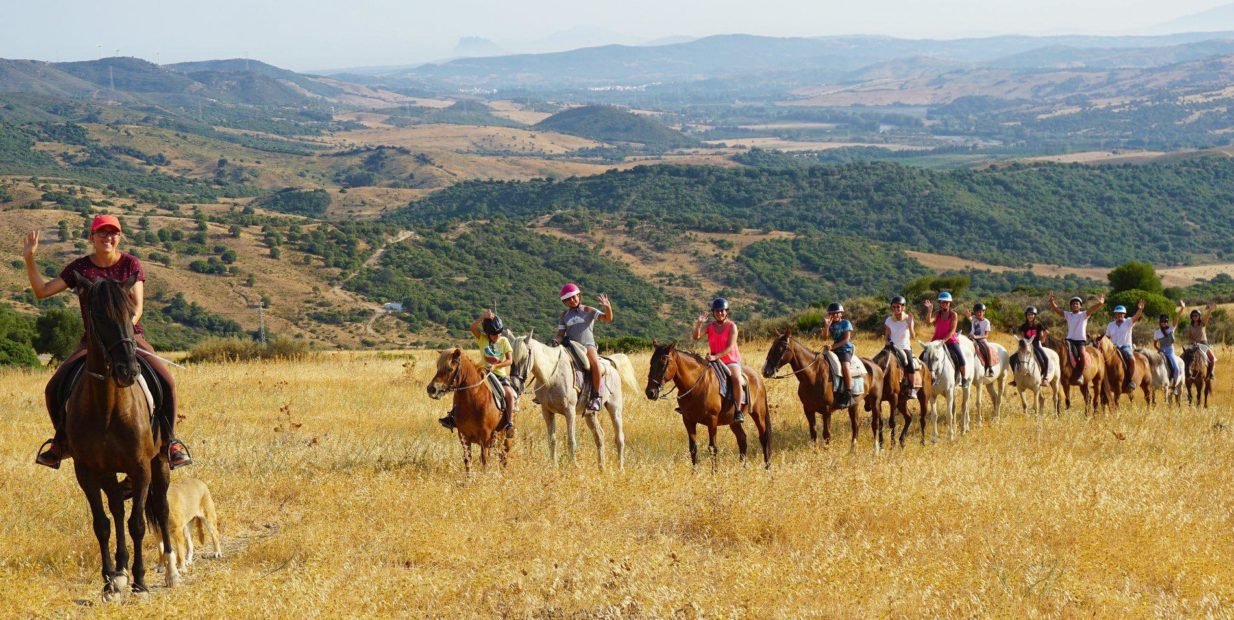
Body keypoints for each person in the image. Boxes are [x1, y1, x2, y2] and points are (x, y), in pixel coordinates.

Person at [24, 216, 192, 470]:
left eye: (113, 233)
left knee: (166, 381)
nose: (107, 238)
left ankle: (170, 442)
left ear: (119, 238)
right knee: (53, 386)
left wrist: (121, 331)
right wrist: (29, 259)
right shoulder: (79, 268)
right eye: (102, 233)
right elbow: (42, 291)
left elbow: (137, 307)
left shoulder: (130, 265)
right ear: (91, 237)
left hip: (128, 336)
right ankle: (61, 442)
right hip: (93, 341)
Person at [438, 310, 516, 434]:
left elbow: (509, 361)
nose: (498, 336)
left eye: (500, 333)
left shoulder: (504, 341)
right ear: (488, 334)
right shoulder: (482, 338)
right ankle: (453, 416)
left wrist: (496, 366)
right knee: (461, 389)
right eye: (495, 334)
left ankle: (509, 423)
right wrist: (482, 317)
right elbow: (473, 327)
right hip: (481, 372)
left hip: (499, 374)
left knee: (509, 394)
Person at [554, 283, 613, 413]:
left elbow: (607, 318)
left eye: (574, 297)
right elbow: (560, 334)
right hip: (571, 347)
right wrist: (555, 341)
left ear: (579, 296)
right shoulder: (564, 315)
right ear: (565, 302)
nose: (572, 300)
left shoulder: (588, 310)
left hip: (587, 346)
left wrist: (607, 307)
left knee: (595, 365)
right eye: (568, 299)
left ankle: (596, 396)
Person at [692, 297, 744, 423]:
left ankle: (738, 410)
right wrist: (699, 323)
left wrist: (715, 356)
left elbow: (730, 346)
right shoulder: (710, 326)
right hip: (713, 361)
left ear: (726, 312)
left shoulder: (732, 326)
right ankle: (690, 406)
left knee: (736, 379)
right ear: (713, 313)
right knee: (697, 376)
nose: (719, 313)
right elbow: (696, 337)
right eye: (717, 311)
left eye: (722, 311)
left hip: (730, 361)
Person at [1048, 293, 1104, 383]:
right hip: (1069, 340)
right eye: (1073, 304)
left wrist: (1100, 303)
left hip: (1080, 341)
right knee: (1059, 352)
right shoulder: (1068, 315)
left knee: (1081, 354)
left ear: (1080, 306)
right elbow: (1058, 310)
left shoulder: (1084, 314)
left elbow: (1092, 309)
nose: (1075, 305)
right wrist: (1052, 302)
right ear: (1071, 306)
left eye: (1077, 304)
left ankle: (1080, 375)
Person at [923, 291, 968, 386]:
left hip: (950, 340)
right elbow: (928, 321)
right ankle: (922, 378)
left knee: (960, 358)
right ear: (940, 303)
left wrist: (943, 341)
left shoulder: (953, 315)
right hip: (936, 340)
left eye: (946, 302)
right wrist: (930, 310)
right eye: (943, 302)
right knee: (923, 356)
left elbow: (952, 331)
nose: (945, 304)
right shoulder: (937, 313)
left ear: (949, 303)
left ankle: (964, 379)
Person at [1104, 300, 1146, 391]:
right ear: (1115, 315)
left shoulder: (1128, 322)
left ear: (1124, 314)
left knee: (1132, 360)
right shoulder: (1110, 325)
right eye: (1118, 314)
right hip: (1113, 347)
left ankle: (1130, 381)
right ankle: (1103, 381)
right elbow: (1107, 338)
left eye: (1122, 314)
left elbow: (1136, 316)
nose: (1120, 315)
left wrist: (1140, 309)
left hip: (1125, 346)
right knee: (1104, 360)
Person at [883, 295, 919, 398]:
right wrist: (886, 341)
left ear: (903, 307)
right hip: (891, 347)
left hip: (904, 347)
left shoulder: (908, 319)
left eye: (898, 307)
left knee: (910, 365)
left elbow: (913, 336)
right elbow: (887, 335)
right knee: (879, 360)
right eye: (894, 307)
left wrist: (910, 324)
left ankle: (912, 389)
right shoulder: (889, 320)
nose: (896, 309)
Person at [824, 302, 855, 407]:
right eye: (832, 313)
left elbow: (846, 339)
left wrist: (832, 347)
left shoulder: (846, 323)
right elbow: (824, 337)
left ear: (841, 314)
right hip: (834, 349)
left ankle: (849, 391)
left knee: (845, 366)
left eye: (837, 313)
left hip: (845, 349)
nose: (835, 315)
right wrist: (827, 327)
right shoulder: (830, 324)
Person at [1016, 306, 1051, 387]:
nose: (1030, 316)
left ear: (1035, 316)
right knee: (1013, 358)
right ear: (1026, 316)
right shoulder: (1024, 326)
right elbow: (1022, 337)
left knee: (1045, 358)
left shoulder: (1039, 325)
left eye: (1032, 315)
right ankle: (1016, 378)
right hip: (1026, 346)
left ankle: (1045, 377)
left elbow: (1042, 339)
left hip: (1036, 344)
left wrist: (1045, 335)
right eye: (1028, 315)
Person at [1181, 301, 1217, 380]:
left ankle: (1210, 374)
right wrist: (1193, 341)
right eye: (1193, 315)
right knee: (1182, 357)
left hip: (1203, 344)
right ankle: (1182, 373)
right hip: (1193, 344)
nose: (1195, 317)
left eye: (1196, 315)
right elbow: (1189, 336)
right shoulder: (1190, 326)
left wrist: (1210, 310)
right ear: (1191, 317)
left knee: (1212, 358)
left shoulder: (1202, 323)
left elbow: (1207, 317)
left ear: (1199, 316)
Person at [965, 302, 994, 377]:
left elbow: (986, 335)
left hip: (981, 339)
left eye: (981, 311)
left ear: (984, 312)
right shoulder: (974, 319)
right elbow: (969, 316)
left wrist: (977, 337)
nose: (979, 313)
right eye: (977, 312)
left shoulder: (986, 322)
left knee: (988, 348)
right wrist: (966, 312)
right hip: (971, 338)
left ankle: (990, 367)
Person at [1153, 310, 1181, 385]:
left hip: (1170, 351)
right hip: (1161, 351)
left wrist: (1182, 308)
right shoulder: (1157, 332)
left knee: (1177, 369)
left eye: (1166, 321)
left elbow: (1176, 319)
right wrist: (1159, 350)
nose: (1164, 323)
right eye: (1162, 321)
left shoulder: (1171, 329)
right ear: (1160, 322)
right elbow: (1155, 344)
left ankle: (1174, 385)